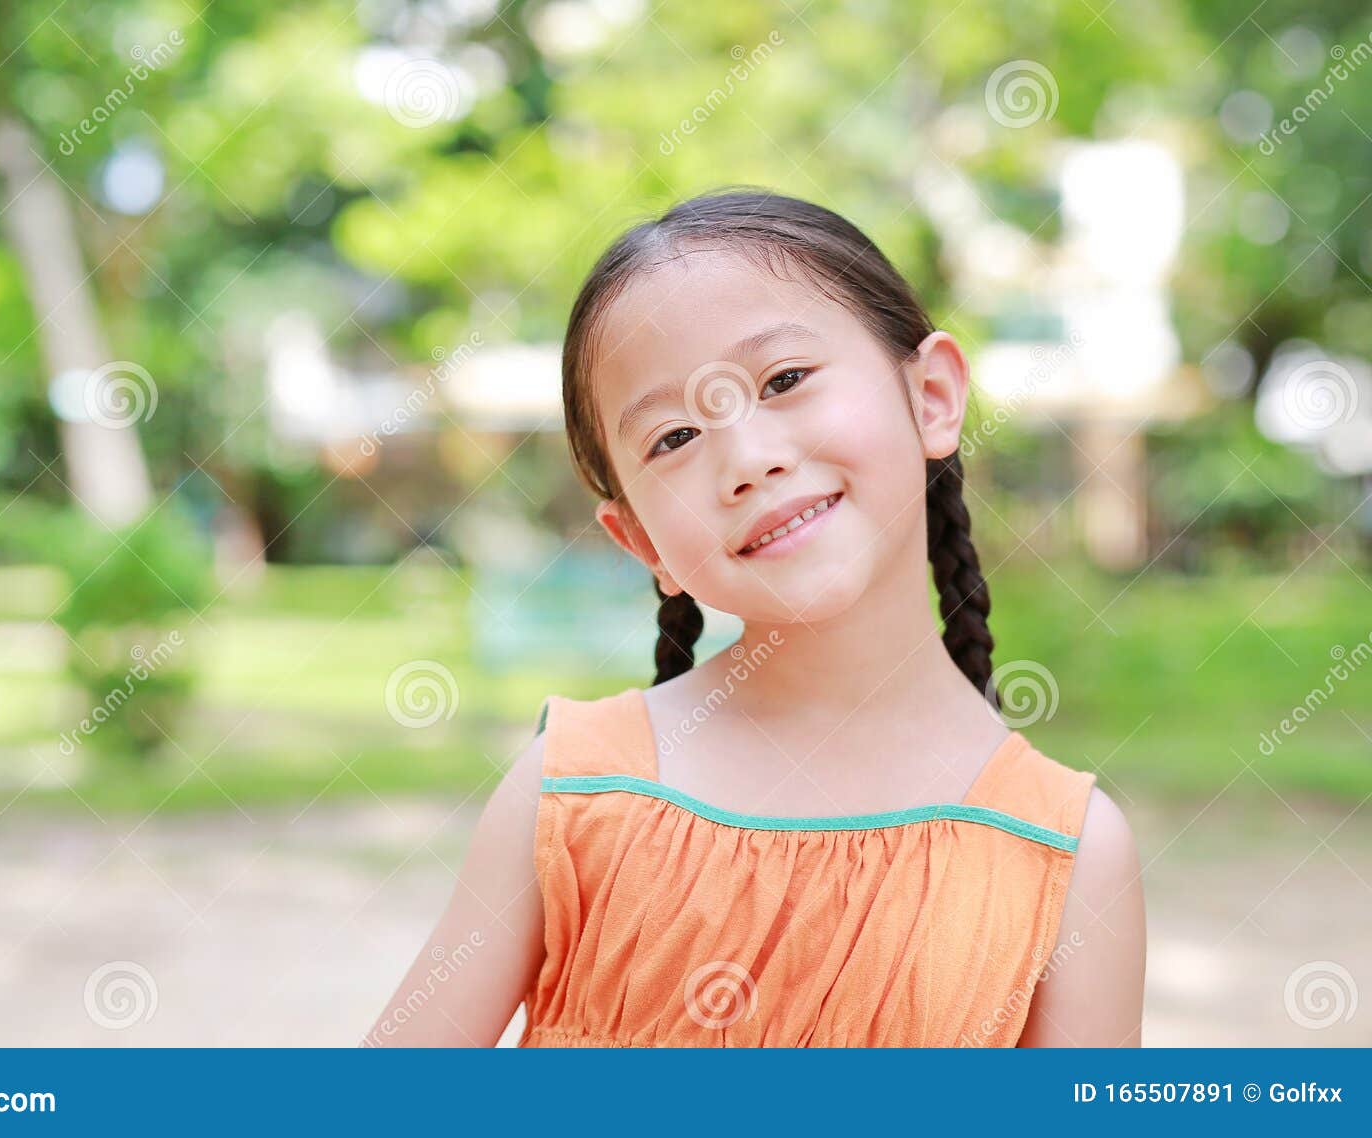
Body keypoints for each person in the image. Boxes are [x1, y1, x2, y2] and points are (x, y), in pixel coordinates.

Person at [366, 189, 1146, 1047]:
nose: (748, 460)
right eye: (673, 438)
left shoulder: (1066, 857)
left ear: (930, 396)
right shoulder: (571, 791)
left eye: (784, 380)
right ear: (640, 541)